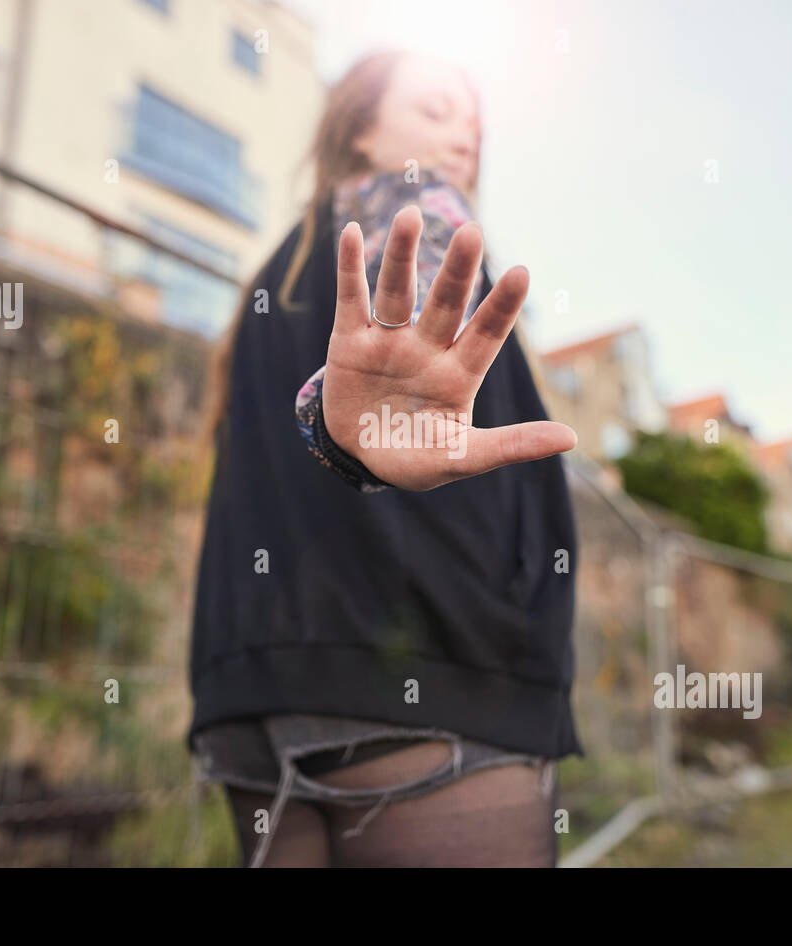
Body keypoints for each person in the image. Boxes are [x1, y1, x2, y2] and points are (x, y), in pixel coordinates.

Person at [188, 49, 582, 867]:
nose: (463, 138)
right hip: (431, 675)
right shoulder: (418, 203)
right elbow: (350, 400)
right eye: (438, 111)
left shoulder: (278, 273)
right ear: (362, 132)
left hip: (254, 693)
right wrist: (348, 427)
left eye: (474, 126)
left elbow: (324, 412)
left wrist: (336, 425)